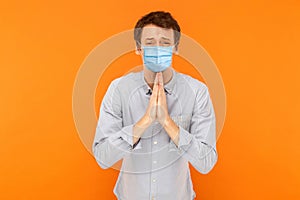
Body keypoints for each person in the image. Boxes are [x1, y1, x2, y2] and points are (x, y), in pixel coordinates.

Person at [92, 11, 218, 200]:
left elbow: (206, 162)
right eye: (150, 43)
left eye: (165, 43)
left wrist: (167, 122)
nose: (157, 49)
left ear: (176, 48)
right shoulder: (119, 89)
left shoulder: (197, 92)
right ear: (138, 48)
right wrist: (145, 121)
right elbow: (103, 157)